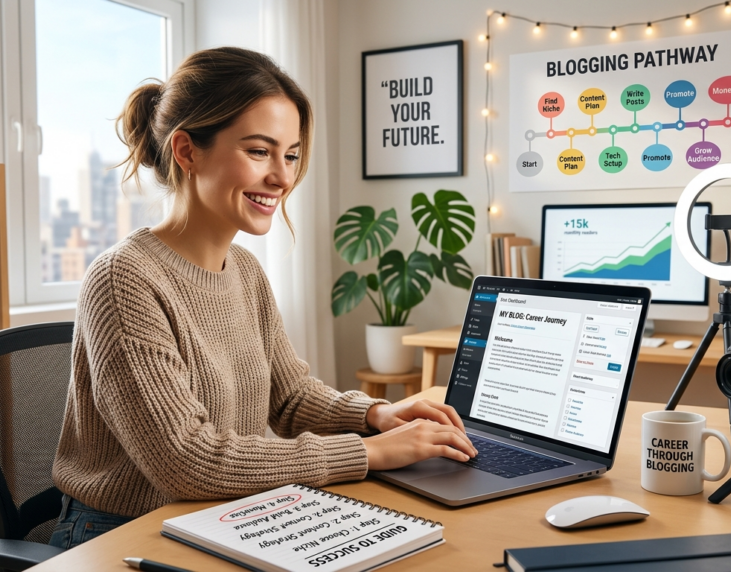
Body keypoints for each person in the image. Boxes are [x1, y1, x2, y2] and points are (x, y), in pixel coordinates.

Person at [48, 47, 477, 550]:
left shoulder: (245, 270)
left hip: (224, 515)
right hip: (120, 533)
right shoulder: (124, 279)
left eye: (291, 154)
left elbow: (290, 396)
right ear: (187, 151)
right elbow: (189, 463)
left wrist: (375, 416)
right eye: (259, 151)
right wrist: (371, 453)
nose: (283, 176)